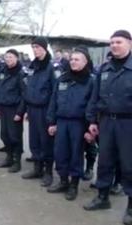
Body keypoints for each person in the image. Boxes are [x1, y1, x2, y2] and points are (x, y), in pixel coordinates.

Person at [83, 30, 132, 225]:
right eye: (111, 42)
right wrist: (92, 121)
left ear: (129, 43)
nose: (114, 45)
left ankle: (130, 206)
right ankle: (102, 197)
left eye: (118, 42)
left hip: (128, 123)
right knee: (105, 161)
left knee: (129, 164)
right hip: (105, 122)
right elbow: (95, 97)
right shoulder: (104, 69)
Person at [46, 47, 95, 201]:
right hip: (61, 122)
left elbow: (92, 105)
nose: (73, 62)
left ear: (85, 62)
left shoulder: (91, 81)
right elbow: (53, 101)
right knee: (60, 153)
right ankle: (63, 181)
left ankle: (73, 185)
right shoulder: (62, 79)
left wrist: (89, 128)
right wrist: (51, 122)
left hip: (79, 124)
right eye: (72, 59)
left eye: (77, 59)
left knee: (76, 154)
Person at [21, 37, 55, 187]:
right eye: (33, 47)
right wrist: (28, 108)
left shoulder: (52, 67)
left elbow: (55, 93)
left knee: (46, 141)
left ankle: (48, 172)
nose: (35, 50)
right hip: (33, 108)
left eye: (38, 47)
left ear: (45, 48)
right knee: (34, 140)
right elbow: (29, 88)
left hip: (45, 109)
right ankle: (37, 168)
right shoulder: (32, 66)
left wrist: (52, 115)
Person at [0, 49, 25, 173]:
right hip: (4, 107)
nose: (8, 59)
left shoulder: (21, 73)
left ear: (17, 58)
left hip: (14, 109)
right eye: (6, 57)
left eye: (11, 57)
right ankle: (9, 157)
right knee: (4, 135)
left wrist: (20, 112)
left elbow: (24, 94)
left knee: (15, 136)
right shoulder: (3, 71)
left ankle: (17, 162)